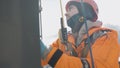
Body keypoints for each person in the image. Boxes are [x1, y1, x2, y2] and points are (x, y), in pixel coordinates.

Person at [40, 0, 120, 68]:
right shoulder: (63, 41)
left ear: (85, 11)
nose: (66, 14)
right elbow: (42, 60)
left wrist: (48, 54)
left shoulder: (105, 37)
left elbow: (98, 65)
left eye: (70, 9)